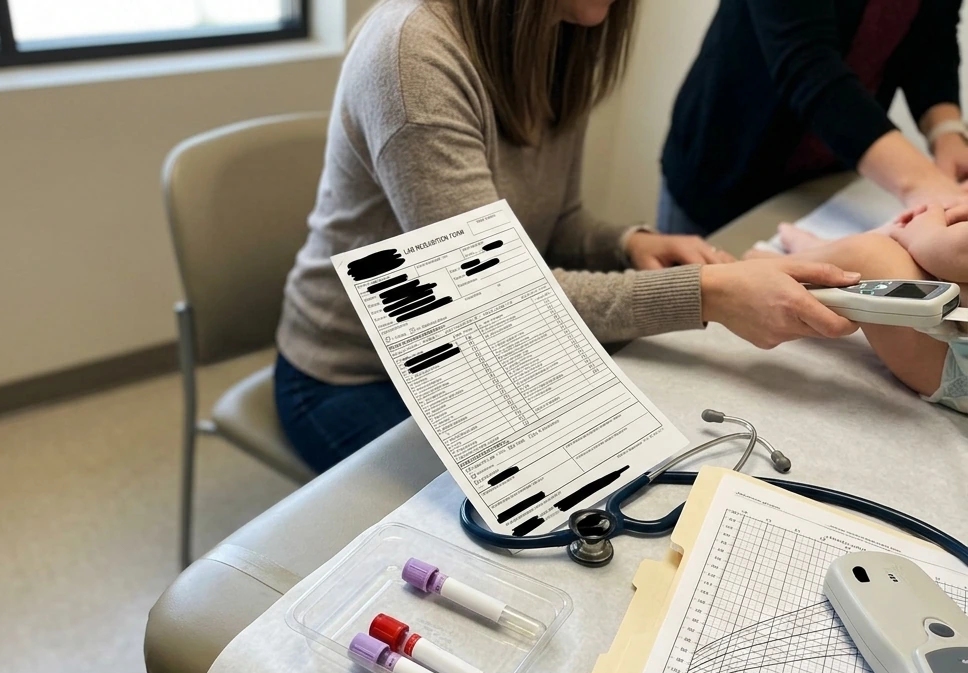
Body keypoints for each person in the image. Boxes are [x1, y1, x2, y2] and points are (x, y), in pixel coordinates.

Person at [274, 0, 861, 474]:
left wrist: (628, 243)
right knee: (535, 504)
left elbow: (549, 224)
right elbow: (490, 296)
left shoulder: (555, 32)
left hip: (469, 355)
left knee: (634, 450)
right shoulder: (412, 53)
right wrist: (704, 294)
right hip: (353, 372)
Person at [660, 0, 968, 237]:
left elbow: (932, 40)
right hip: (726, 166)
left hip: (827, 181)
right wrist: (921, 184)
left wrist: (947, 134)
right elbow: (807, 63)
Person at [747, 207, 968, 412]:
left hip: (950, 365)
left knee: (868, 253)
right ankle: (822, 252)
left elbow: (950, 250)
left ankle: (780, 267)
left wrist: (930, 225)